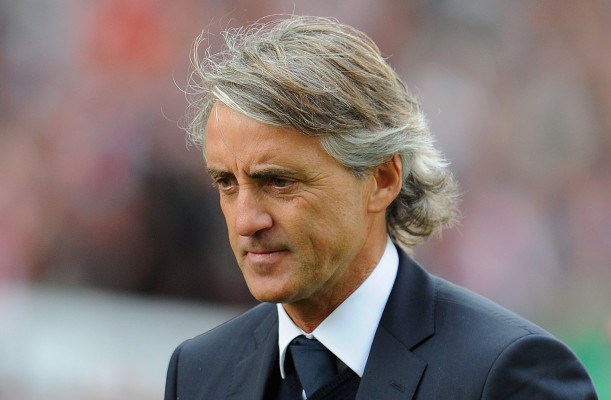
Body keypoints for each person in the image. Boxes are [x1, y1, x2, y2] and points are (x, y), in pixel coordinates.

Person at [165, 15, 597, 400]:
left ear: (382, 180)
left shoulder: (507, 375)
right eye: (226, 183)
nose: (246, 221)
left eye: (279, 182)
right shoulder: (199, 372)